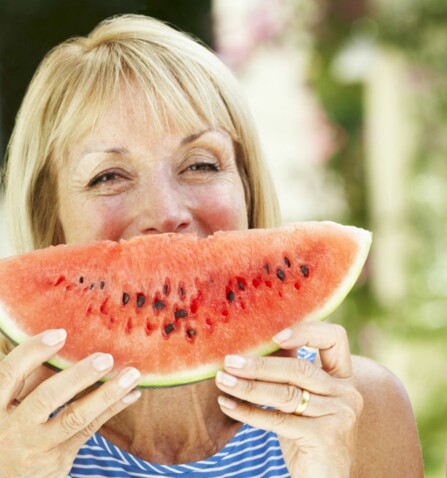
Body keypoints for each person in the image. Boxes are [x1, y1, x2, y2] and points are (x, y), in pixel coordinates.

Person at [0, 14, 423, 477]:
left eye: (200, 164)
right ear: (50, 215)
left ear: (247, 185)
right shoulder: (10, 431)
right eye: (109, 176)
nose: (166, 213)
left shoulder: (359, 410)